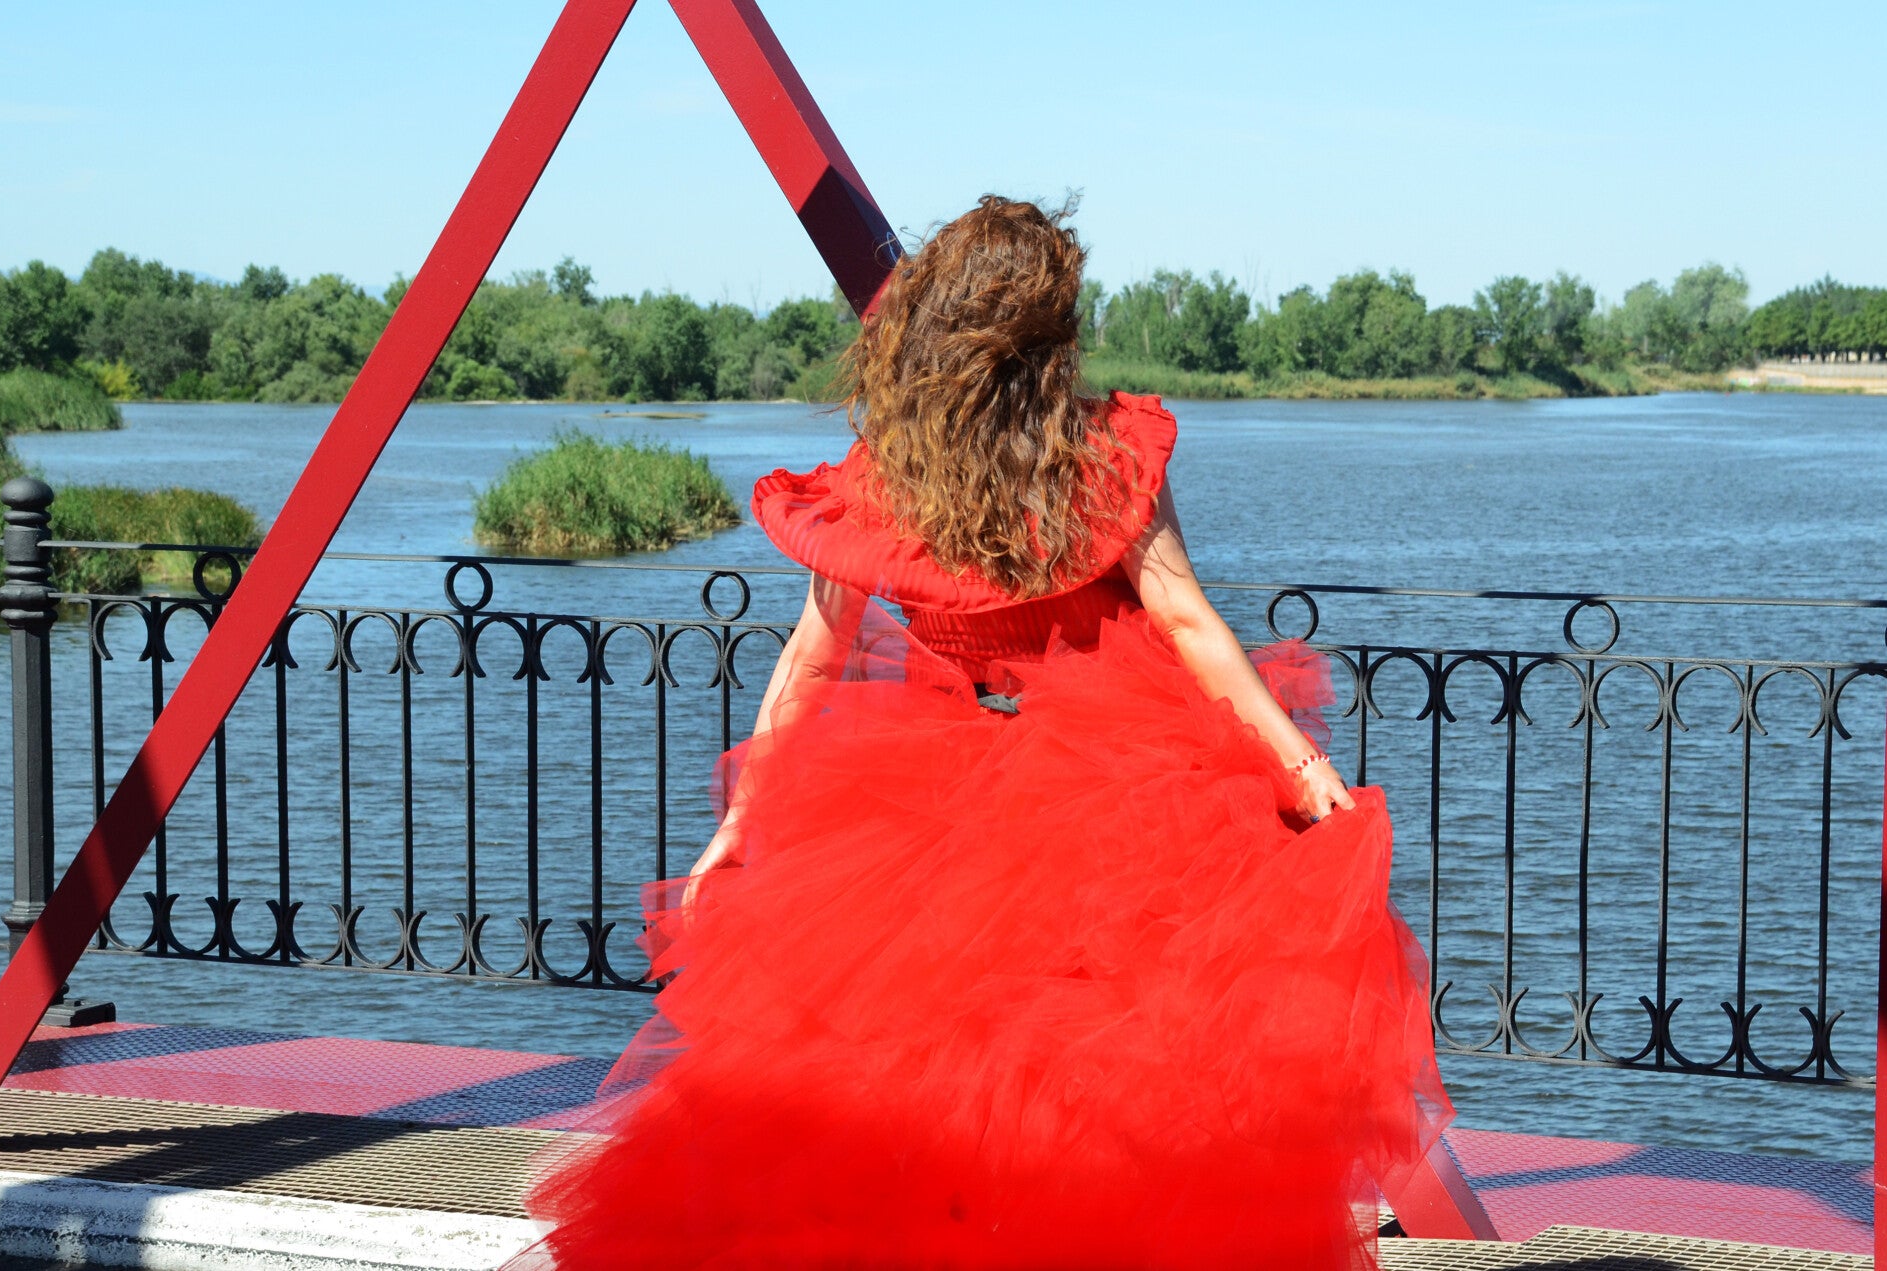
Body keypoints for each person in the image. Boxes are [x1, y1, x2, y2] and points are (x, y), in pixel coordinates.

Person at [516, 196, 1452, 1269]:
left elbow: (814, 654)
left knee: (899, 1066)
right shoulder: (1104, 454)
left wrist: (743, 815)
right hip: (1118, 781)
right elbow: (1186, 620)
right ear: (1044, 340)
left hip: (929, 788)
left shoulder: (884, 471)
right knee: (1130, 1068)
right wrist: (1301, 767)